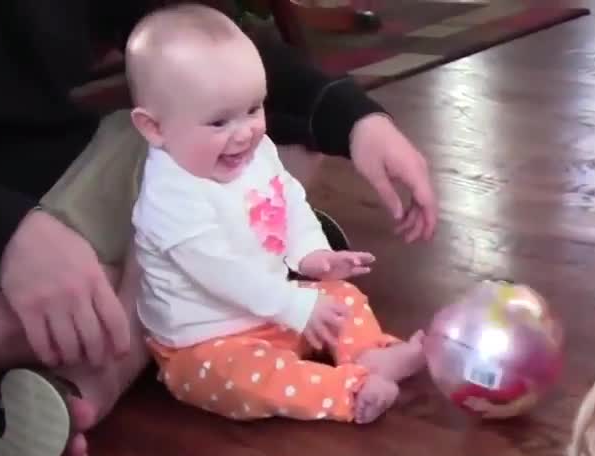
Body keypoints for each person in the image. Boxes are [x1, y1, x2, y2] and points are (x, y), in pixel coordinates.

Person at [0, 1, 438, 456]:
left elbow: (197, 46)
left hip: (67, 172)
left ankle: (87, 363)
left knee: (272, 139)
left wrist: (356, 119)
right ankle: (111, 335)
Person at [126, 4, 425, 425]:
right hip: (208, 342)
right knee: (252, 379)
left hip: (275, 310)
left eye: (254, 109)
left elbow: (286, 203)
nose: (246, 131)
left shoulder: (253, 152)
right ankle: (350, 392)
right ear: (154, 128)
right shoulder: (170, 197)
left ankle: (371, 354)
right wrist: (294, 306)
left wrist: (311, 256)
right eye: (218, 121)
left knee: (342, 297)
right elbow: (223, 274)